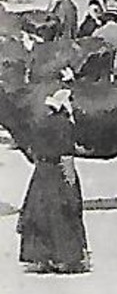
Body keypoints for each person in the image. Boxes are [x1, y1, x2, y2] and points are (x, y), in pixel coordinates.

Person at [18, 88, 89, 274]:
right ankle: (66, 259)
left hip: (41, 173)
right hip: (57, 171)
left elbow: (32, 149)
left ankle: (42, 258)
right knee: (64, 212)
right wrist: (71, 179)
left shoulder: (40, 123)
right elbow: (66, 154)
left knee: (40, 212)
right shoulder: (65, 125)